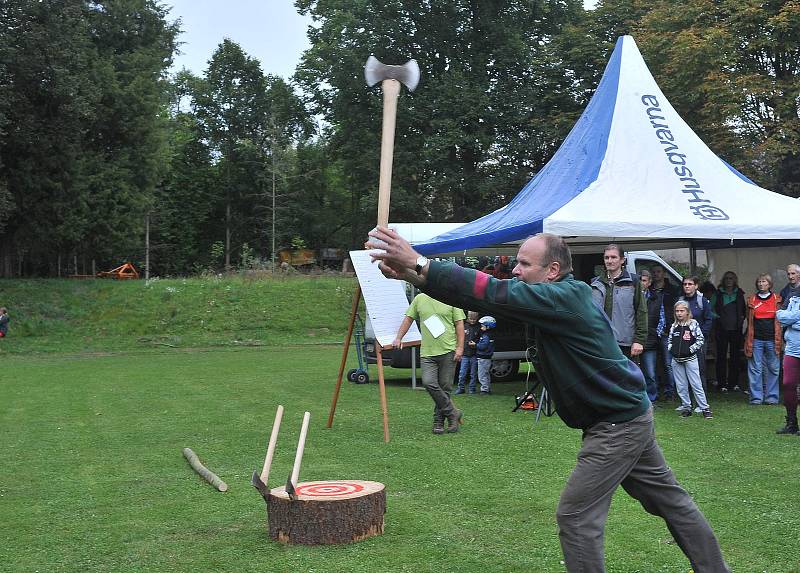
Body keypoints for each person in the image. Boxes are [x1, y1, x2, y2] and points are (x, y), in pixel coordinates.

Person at [368, 227, 730, 573]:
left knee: (575, 516)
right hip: (625, 415)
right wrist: (412, 275)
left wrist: (419, 262)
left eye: (525, 264)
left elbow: (492, 291)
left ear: (553, 270)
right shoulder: (551, 297)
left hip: (617, 424)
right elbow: (478, 295)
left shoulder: (565, 297)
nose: (516, 270)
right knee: (671, 502)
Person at [393, 293, 465, 434]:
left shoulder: (451, 298)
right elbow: (408, 319)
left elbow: (459, 324)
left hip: (448, 350)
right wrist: (398, 337)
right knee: (428, 382)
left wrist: (460, 348)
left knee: (445, 387)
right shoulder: (419, 299)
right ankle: (453, 413)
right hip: (427, 353)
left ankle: (440, 422)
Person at [590, 244, 647, 359]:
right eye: (606, 258)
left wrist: (639, 340)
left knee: (627, 377)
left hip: (625, 344)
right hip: (601, 342)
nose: (609, 261)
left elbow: (641, 312)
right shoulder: (595, 283)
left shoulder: (633, 281)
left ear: (622, 260)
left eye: (613, 257)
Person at [668, 300, 713, 419]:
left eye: (682, 311)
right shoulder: (674, 325)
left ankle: (705, 408)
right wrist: (671, 349)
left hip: (690, 359)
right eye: (677, 311)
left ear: (687, 312)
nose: (679, 313)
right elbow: (670, 341)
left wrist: (690, 349)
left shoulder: (693, 324)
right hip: (676, 360)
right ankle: (686, 407)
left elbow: (700, 340)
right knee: (681, 385)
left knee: (696, 384)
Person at [744, 274, 782, 405]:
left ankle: (771, 397)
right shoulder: (751, 300)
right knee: (755, 368)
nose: (761, 284)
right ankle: (756, 398)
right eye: (759, 282)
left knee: (773, 368)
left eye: (764, 282)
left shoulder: (777, 299)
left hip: (773, 339)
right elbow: (748, 319)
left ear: (769, 284)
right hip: (756, 339)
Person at [711, 271, 746, 392]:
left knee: (735, 357)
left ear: (734, 280)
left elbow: (744, 311)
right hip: (722, 329)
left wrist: (741, 319)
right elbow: (710, 309)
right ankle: (722, 383)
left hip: (736, 330)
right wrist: (718, 318)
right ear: (723, 280)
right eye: (726, 278)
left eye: (731, 278)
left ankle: (733, 383)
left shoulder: (739, 293)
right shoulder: (718, 293)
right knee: (721, 357)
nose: (729, 280)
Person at [650, 263, 680, 397]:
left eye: (659, 272)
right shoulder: (648, 290)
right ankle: (654, 391)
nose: (656, 274)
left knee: (669, 364)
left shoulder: (672, 290)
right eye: (654, 272)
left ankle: (671, 391)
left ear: (664, 273)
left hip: (667, 331)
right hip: (651, 332)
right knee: (653, 365)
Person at [679, 276, 714, 390]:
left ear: (696, 286)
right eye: (685, 284)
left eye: (690, 284)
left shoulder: (701, 300)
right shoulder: (680, 301)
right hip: (683, 340)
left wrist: (701, 335)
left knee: (699, 369)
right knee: (683, 369)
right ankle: (686, 399)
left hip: (698, 341)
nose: (687, 286)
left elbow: (708, 319)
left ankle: (701, 399)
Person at [776, 288, 800, 435]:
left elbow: (789, 319)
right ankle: (791, 423)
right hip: (792, 348)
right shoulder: (793, 296)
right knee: (788, 383)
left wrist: (793, 320)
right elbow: (780, 316)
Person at [640, 270, 665, 402]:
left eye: (644, 281)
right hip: (634, 340)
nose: (642, 283)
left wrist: (657, 333)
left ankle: (652, 399)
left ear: (649, 283)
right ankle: (638, 399)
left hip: (651, 340)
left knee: (650, 373)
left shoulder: (656, 298)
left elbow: (662, 318)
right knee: (635, 373)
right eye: (640, 280)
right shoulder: (632, 296)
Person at [455, 311, 481, 395]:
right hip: (465, 354)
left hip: (474, 354)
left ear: (477, 318)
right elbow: (459, 337)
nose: (472, 321)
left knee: (473, 373)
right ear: (467, 317)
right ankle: (460, 388)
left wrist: (475, 344)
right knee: (462, 373)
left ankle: (472, 389)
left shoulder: (479, 327)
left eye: (474, 319)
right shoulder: (464, 326)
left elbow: (480, 339)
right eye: (471, 319)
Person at [475, 315, 496, 394]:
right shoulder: (489, 335)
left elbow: (483, 346)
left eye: (482, 326)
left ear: (488, 326)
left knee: (482, 374)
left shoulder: (486, 336)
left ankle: (484, 389)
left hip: (483, 357)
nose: (481, 328)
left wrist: (475, 345)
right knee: (486, 373)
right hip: (487, 357)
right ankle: (487, 388)